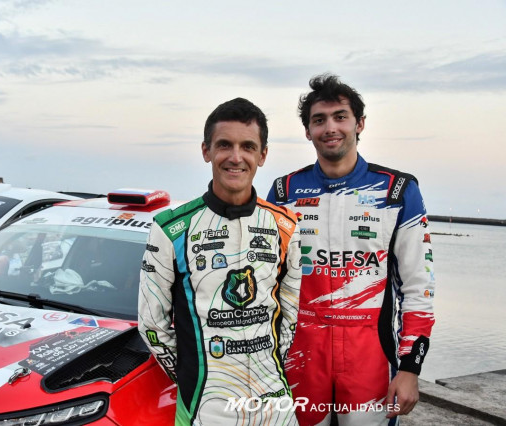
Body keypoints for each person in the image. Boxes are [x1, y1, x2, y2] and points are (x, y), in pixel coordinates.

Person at [267, 74, 435, 425]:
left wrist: (410, 367)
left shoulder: (398, 191)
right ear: (308, 131)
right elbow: (268, 282)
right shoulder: (284, 192)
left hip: (369, 359)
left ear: (360, 124)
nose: (330, 128)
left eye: (340, 117)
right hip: (300, 356)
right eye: (319, 120)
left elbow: (418, 287)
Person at [138, 98, 303, 425]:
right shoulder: (171, 229)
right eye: (224, 145)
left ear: (262, 155)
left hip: (275, 406)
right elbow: (151, 324)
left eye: (248, 146)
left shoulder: (285, 226)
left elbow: (290, 316)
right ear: (206, 151)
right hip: (207, 408)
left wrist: (269, 368)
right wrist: (192, 376)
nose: (236, 157)